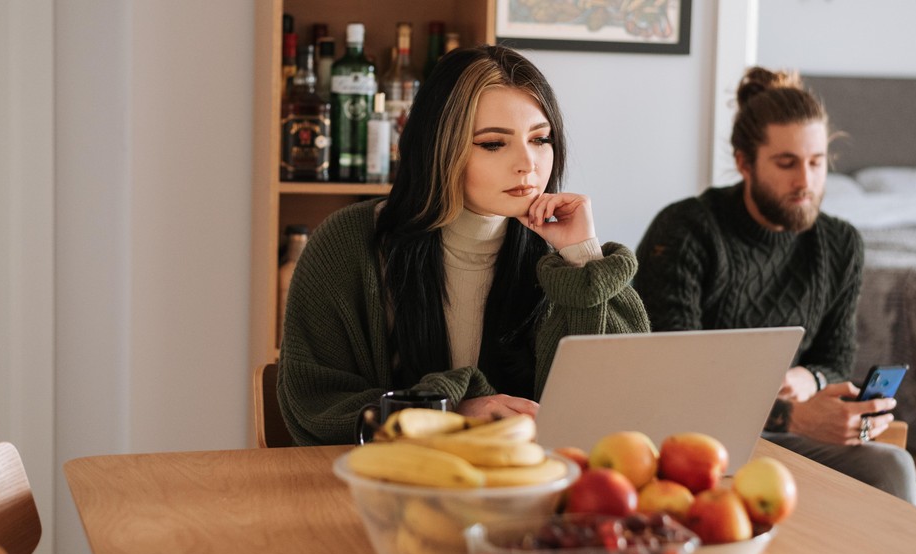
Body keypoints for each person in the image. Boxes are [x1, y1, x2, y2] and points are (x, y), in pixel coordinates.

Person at [278, 45, 649, 446]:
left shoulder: (560, 251)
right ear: (439, 147)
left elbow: (625, 400)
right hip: (383, 488)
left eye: (540, 139)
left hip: (534, 488)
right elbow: (314, 404)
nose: (528, 164)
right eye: (493, 143)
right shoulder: (350, 243)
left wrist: (583, 259)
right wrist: (448, 411)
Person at [634, 67, 916, 505]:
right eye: (786, 164)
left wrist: (811, 377)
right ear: (744, 163)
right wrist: (793, 417)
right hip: (694, 436)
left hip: (782, 432)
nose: (805, 182)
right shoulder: (685, 231)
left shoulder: (840, 244)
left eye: (816, 162)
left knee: (893, 465)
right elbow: (675, 375)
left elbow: (837, 357)